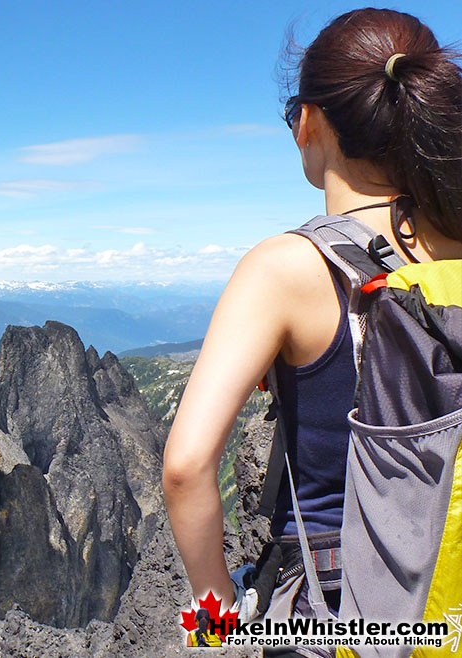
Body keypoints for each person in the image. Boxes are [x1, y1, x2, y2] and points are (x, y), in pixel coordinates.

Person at [162, 4, 462, 639]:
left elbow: (187, 466)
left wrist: (217, 619)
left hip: (339, 618)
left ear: (309, 122)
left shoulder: (286, 267)